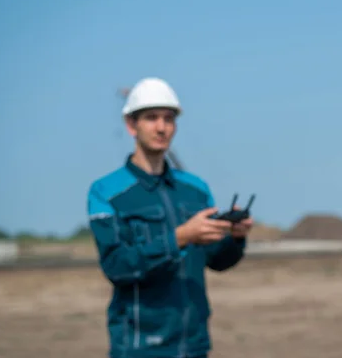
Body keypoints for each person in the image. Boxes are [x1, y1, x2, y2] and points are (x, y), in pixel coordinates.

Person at [87, 77, 253, 358]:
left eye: (168, 118)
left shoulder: (196, 189)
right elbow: (117, 267)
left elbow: (215, 259)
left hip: (194, 344)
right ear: (131, 124)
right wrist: (180, 238)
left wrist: (236, 239)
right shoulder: (106, 192)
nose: (161, 127)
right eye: (151, 118)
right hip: (140, 347)